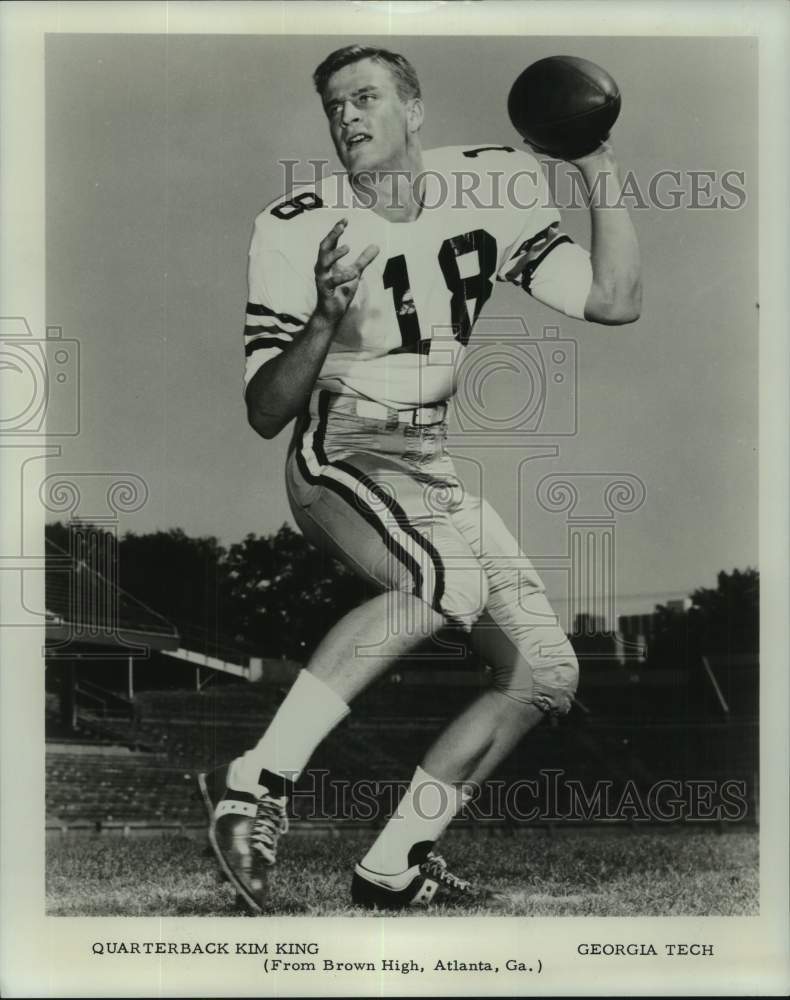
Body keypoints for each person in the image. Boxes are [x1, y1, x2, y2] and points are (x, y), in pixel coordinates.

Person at [199, 44, 641, 913]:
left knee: (545, 672)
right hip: (341, 452)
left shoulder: (494, 185)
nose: (347, 118)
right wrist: (325, 314)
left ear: (415, 109)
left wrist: (596, 163)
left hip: (429, 465)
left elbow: (614, 298)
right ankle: (252, 784)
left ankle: (394, 865)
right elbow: (264, 411)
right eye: (333, 106)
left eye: (365, 98)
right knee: (446, 582)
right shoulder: (293, 224)